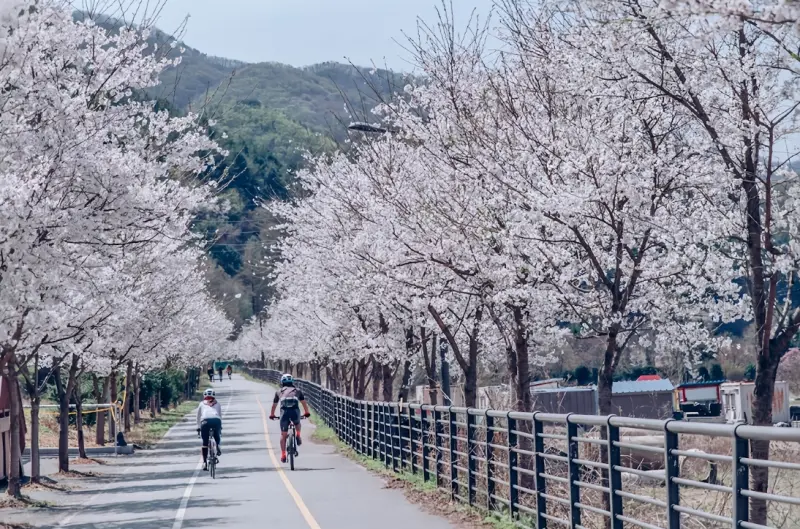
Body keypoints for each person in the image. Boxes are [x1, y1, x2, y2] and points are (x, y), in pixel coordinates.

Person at [269, 374, 311, 463]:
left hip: (284, 414)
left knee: (283, 435)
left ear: (282, 382)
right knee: (297, 423)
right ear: (292, 382)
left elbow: (274, 405)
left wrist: (272, 414)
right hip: (295, 412)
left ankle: (283, 454)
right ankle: (298, 435)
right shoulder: (298, 391)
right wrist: (306, 412)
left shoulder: (279, 392)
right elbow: (303, 403)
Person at [196, 388, 222, 471]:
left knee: (205, 442)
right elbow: (220, 416)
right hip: (216, 421)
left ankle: (204, 462)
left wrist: (198, 427)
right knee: (217, 435)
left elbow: (198, 417)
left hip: (205, 421)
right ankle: (217, 445)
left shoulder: (201, 404)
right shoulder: (217, 403)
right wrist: (220, 427)